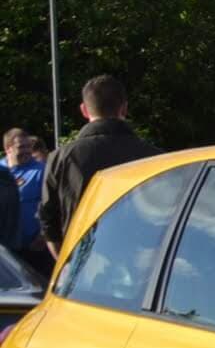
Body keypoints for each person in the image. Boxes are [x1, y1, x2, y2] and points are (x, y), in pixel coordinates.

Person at [40, 75, 159, 256]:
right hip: (142, 259)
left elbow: (49, 219)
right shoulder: (153, 157)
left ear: (84, 110)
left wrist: (65, 262)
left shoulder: (61, 158)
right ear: (124, 108)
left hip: (84, 259)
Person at [6, 127, 46, 268]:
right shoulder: (2, 171)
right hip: (5, 250)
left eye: (28, 146)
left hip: (33, 246)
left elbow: (51, 206)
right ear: (8, 149)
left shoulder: (41, 171)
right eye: (21, 147)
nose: (27, 151)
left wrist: (42, 235)